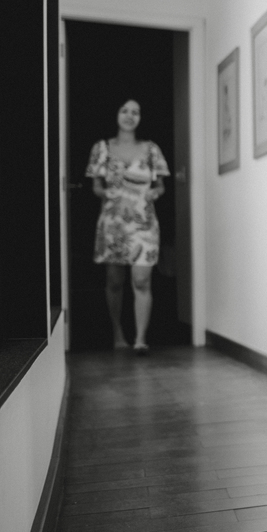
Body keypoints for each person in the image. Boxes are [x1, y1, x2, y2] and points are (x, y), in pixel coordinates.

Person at [85, 99, 169, 355]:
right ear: (116, 114)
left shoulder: (151, 149)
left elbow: (160, 186)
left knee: (142, 278)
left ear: (141, 117)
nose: (130, 116)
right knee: (114, 280)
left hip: (143, 222)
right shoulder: (102, 148)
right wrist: (105, 193)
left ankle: (141, 339)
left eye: (136, 112)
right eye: (124, 110)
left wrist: (154, 194)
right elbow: (96, 185)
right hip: (114, 223)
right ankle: (118, 334)